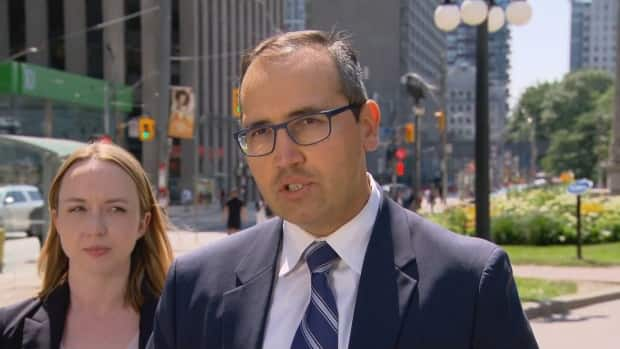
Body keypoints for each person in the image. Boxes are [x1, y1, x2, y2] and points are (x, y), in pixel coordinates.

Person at [149, 30, 538, 349]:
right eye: (261, 131)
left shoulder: (468, 285)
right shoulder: (195, 287)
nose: (285, 156)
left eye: (308, 122)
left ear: (367, 127)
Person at [0, 142, 174, 349]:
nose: (95, 229)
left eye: (116, 209)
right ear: (57, 221)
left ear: (142, 223)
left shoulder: (185, 327)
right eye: (78, 209)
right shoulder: (8, 332)